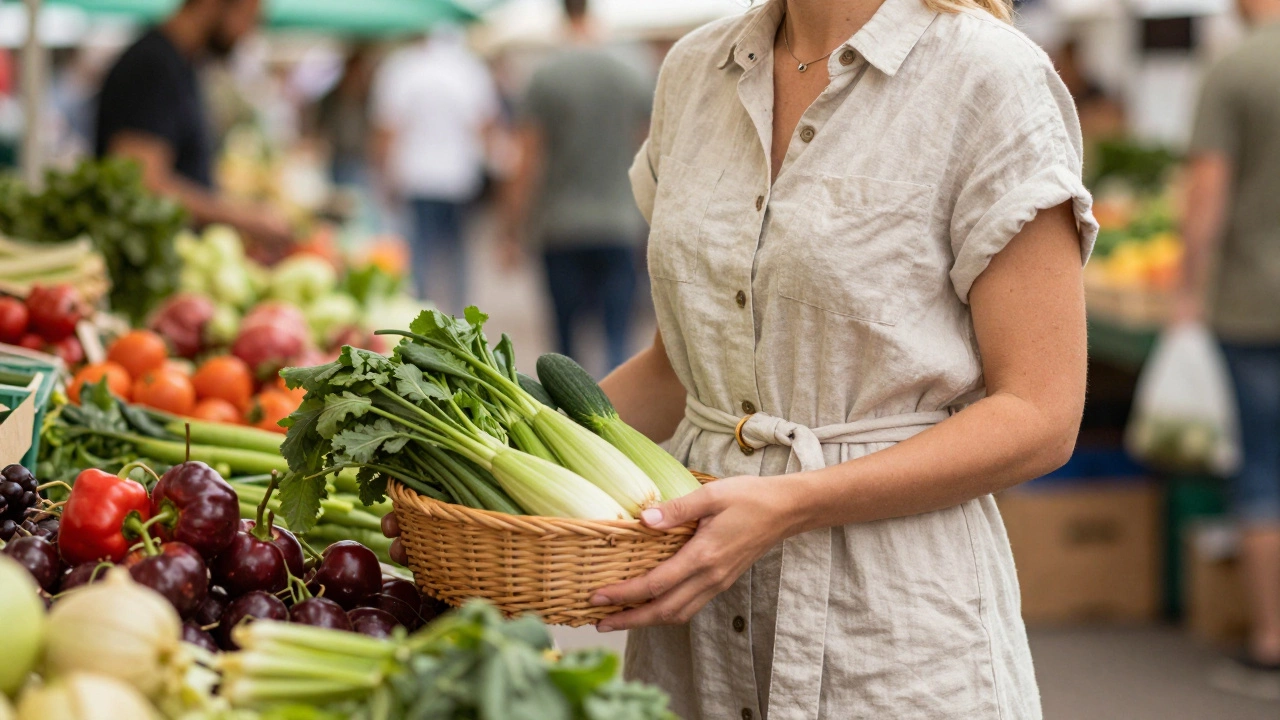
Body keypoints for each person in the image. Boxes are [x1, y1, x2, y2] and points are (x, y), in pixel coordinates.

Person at [386, 0, 1095, 716]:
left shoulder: (989, 76)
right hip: (695, 620)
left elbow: (1041, 413)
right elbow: (679, 368)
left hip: (889, 633)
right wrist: (479, 469)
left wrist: (790, 504)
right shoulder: (694, 72)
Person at [1179, 0, 1280, 699]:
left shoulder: (1237, 69)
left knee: (1264, 471)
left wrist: (1187, 294)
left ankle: (1271, 640)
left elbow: (1206, 191)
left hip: (1254, 304)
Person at [499, 0, 653, 373]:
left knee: (565, 344)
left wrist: (511, 229)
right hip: (619, 221)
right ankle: (615, 419)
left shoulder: (545, 76)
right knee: (618, 334)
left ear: (562, 15)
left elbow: (527, 161)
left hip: (560, 226)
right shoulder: (632, 71)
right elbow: (652, 152)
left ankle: (570, 418)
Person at [95, 0, 292, 257]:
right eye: (249, 16)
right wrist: (242, 218)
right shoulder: (153, 66)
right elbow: (143, 183)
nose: (249, 32)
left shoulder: (180, 64)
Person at [372, 28, 500, 313]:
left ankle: (419, 317)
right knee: (458, 254)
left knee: (420, 252)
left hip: (416, 175)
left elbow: (387, 129)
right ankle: (461, 322)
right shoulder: (469, 68)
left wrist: (384, 175)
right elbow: (485, 124)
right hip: (459, 176)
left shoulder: (401, 68)